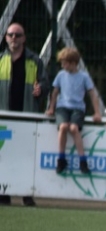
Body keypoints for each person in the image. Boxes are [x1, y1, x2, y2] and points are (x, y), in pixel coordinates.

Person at [0, 23, 48, 205]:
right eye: (11, 35)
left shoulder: (35, 61)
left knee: (26, 157)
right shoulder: (0, 60)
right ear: (6, 38)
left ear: (24, 38)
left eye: (18, 35)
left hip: (26, 118)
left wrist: (40, 89)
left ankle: (27, 194)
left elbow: (45, 84)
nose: (14, 38)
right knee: (4, 155)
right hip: (4, 120)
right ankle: (3, 192)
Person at [45, 47, 102, 175]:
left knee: (74, 128)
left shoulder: (84, 76)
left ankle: (82, 160)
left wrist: (97, 112)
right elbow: (55, 92)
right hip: (63, 107)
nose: (62, 65)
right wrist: (51, 108)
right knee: (63, 127)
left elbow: (92, 94)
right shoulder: (61, 75)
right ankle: (61, 158)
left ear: (73, 63)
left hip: (77, 108)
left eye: (65, 63)